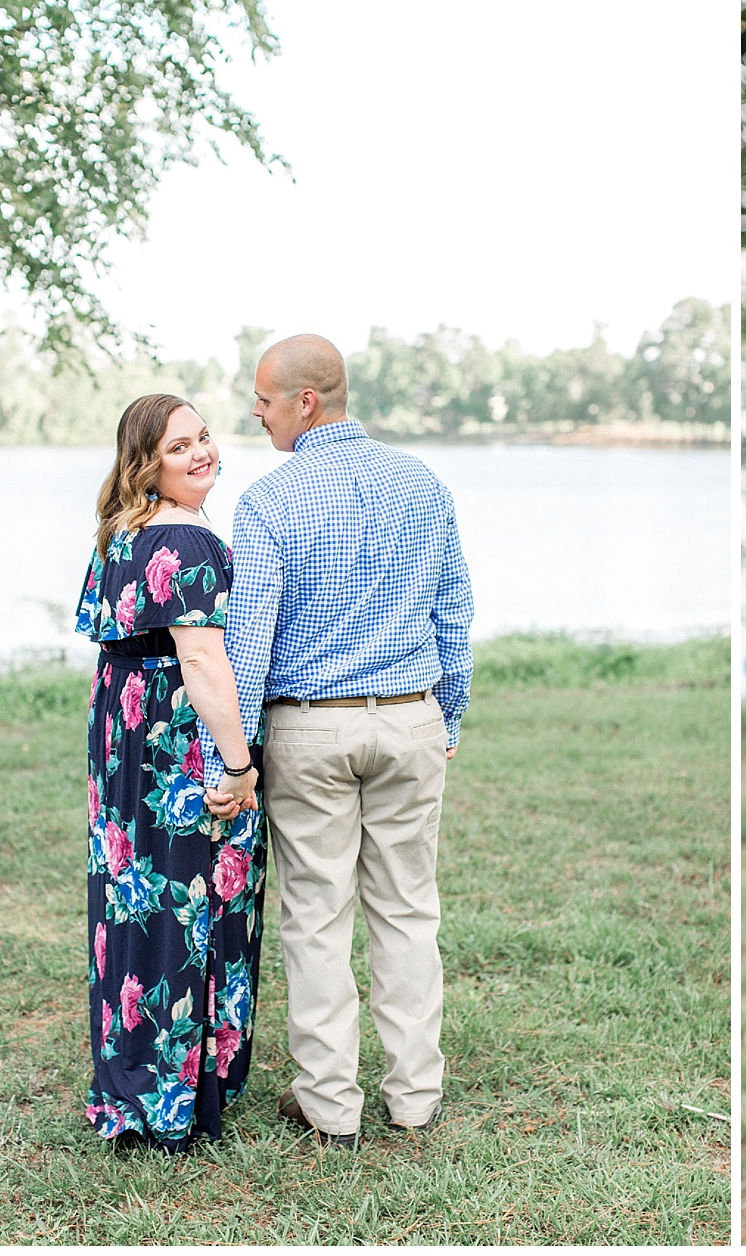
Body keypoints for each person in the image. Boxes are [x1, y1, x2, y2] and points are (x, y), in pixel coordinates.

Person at [210, 333, 473, 1149]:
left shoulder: (269, 502)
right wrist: (449, 716)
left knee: (317, 917)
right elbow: (454, 615)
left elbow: (248, 643)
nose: (254, 413)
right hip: (408, 717)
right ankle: (414, 1099)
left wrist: (240, 756)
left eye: (264, 398)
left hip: (309, 731)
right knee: (407, 910)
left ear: (306, 401)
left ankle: (330, 1106)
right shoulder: (422, 484)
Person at [75, 394, 266, 1150]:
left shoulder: (121, 532)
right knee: (191, 895)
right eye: (179, 446)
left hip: (123, 733)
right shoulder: (186, 541)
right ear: (146, 461)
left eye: (205, 438)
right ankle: (179, 1094)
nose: (201, 453)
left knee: (134, 894)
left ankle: (134, 1079)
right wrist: (238, 760)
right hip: (178, 739)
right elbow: (202, 661)